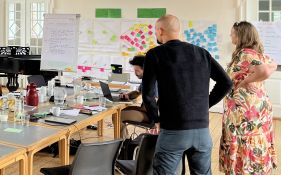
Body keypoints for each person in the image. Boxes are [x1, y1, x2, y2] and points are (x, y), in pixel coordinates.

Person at [142, 15, 233, 175]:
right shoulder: (202, 53)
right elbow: (226, 83)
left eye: (156, 31)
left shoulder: (155, 54)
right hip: (202, 132)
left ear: (160, 31)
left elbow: (148, 93)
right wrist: (205, 105)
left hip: (172, 130)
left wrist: (156, 118)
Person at [219, 21, 278, 174]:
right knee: (253, 137)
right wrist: (251, 77)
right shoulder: (254, 53)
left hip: (246, 110)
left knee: (245, 137)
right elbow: (273, 65)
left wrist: (247, 80)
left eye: (232, 32)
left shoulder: (246, 53)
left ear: (240, 35)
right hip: (253, 106)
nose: (230, 35)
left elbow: (265, 71)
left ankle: (244, 170)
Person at [118, 55, 159, 138]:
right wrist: (128, 95)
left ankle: (123, 143)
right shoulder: (147, 79)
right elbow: (137, 93)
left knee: (118, 116)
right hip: (146, 112)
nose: (135, 73)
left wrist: (133, 108)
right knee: (119, 113)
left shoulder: (154, 82)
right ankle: (125, 141)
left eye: (137, 70)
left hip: (151, 117)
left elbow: (150, 106)